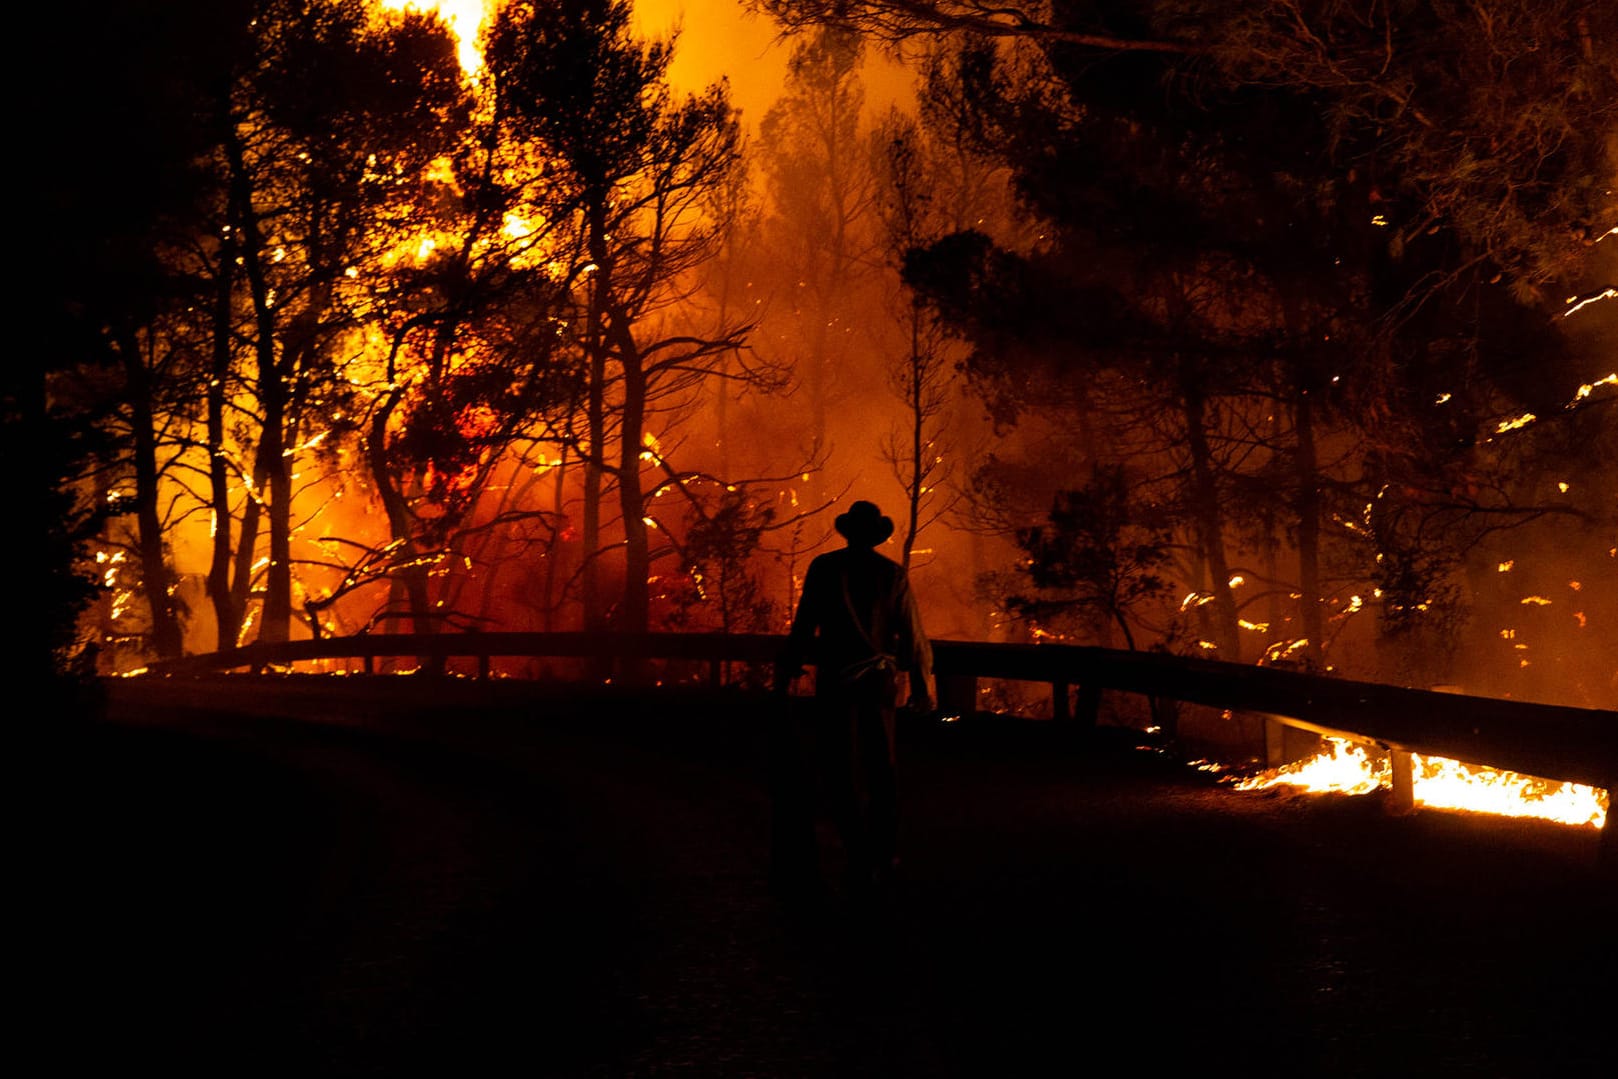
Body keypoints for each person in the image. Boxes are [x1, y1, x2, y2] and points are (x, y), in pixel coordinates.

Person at [772, 499, 934, 900]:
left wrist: (788, 666)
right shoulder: (891, 574)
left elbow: (805, 622)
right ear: (875, 534)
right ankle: (883, 851)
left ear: (848, 532)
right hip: (879, 682)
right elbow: (911, 632)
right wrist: (920, 682)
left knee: (839, 764)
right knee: (882, 766)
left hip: (837, 679)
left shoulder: (825, 568)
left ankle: (855, 846)